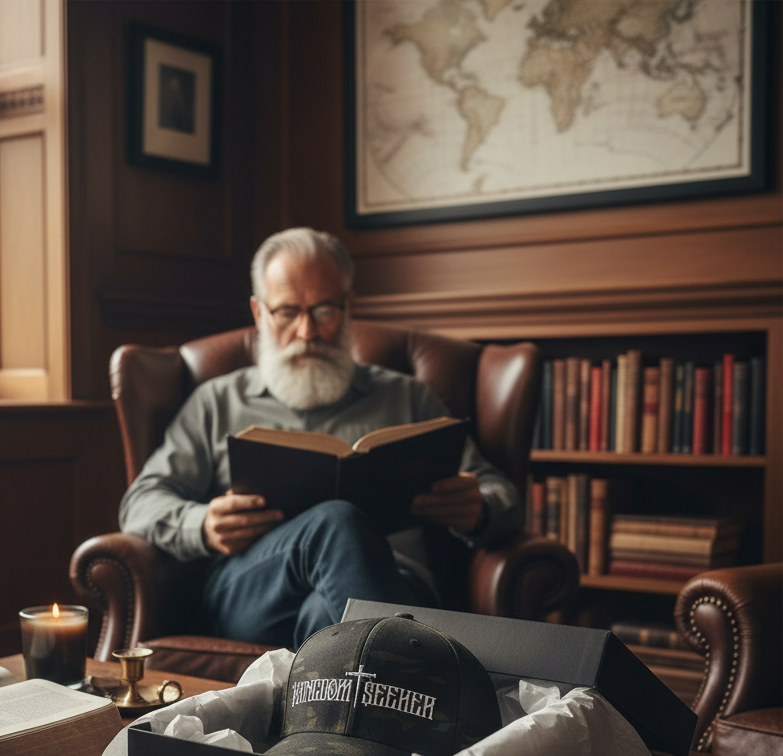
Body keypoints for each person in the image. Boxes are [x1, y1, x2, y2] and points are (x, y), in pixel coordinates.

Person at [119, 228, 521, 649]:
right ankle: (418, 673)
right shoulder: (216, 402)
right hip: (254, 590)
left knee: (323, 612)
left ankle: (355, 692)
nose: (307, 330)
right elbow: (140, 501)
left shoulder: (407, 398)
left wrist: (478, 508)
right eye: (288, 312)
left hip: (394, 579)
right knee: (336, 521)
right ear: (259, 313)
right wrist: (201, 524)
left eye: (324, 310)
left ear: (348, 307)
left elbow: (500, 493)